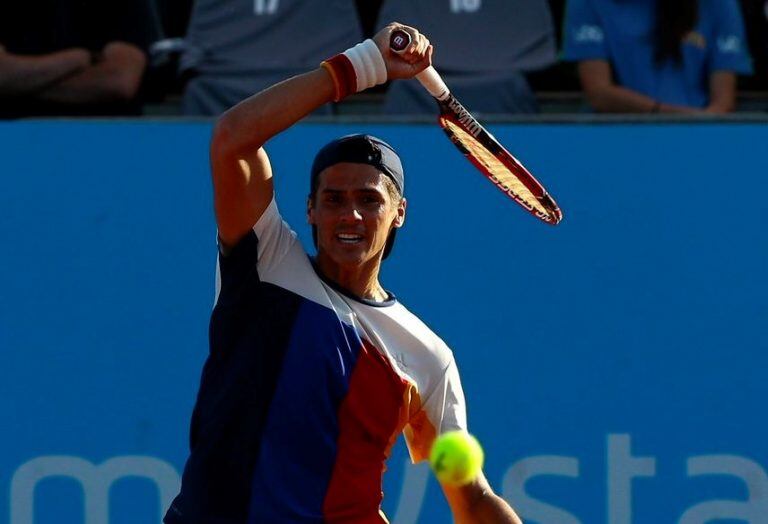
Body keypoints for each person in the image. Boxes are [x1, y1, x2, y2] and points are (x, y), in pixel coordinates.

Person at [164, 22, 523, 524]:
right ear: (309, 210)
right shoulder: (266, 265)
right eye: (333, 200)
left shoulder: (426, 356)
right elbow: (232, 139)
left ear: (398, 213)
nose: (349, 215)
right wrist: (362, 65)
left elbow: (473, 500)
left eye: (368, 201)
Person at [562, 0, 752, 113]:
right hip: (618, 133)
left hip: (698, 135)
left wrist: (700, 124)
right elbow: (599, 93)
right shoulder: (587, 3)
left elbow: (723, 102)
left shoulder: (720, 5)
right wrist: (668, 116)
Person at [0, 0, 159, 118]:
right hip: (14, 139)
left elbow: (118, 81)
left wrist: (19, 86)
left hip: (104, 138)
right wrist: (78, 58)